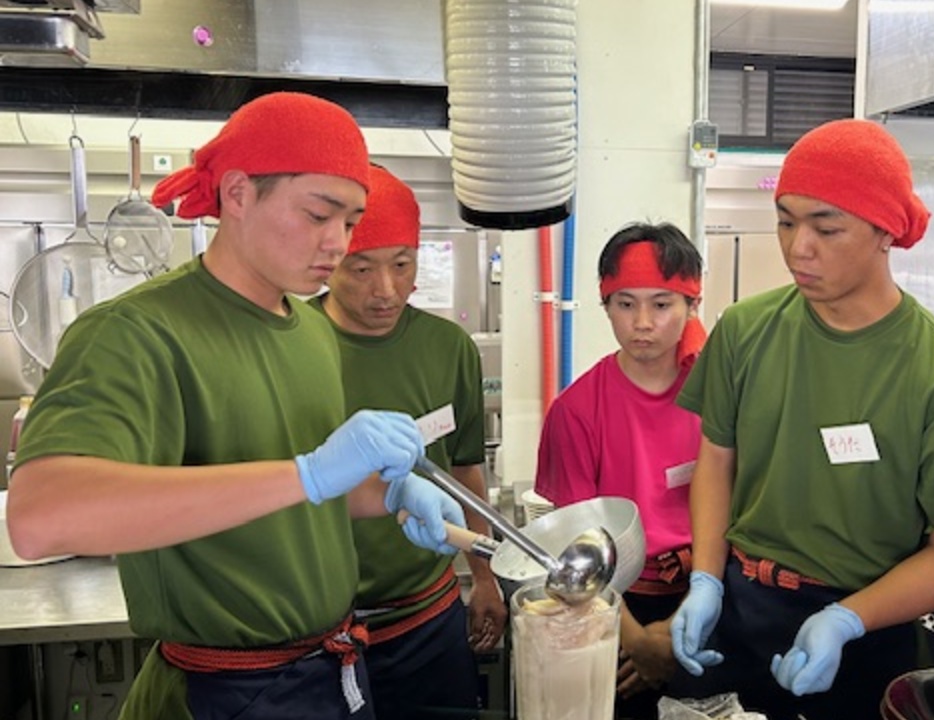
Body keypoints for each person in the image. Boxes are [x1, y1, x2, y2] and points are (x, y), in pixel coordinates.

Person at [5, 92, 465, 720]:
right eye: (318, 214)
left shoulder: (306, 328)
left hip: (331, 668)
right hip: (226, 691)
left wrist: (380, 494)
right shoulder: (138, 332)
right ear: (239, 193)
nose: (337, 243)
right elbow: (42, 518)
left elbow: (291, 491)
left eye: (350, 221)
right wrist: (310, 472)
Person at [665, 118, 934, 720]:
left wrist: (846, 618)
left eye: (826, 227)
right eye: (785, 221)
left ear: (885, 232)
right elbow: (716, 463)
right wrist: (706, 579)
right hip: (740, 608)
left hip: (865, 631)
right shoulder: (746, 331)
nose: (797, 247)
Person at [312, 163, 507, 718]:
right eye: (361, 268)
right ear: (330, 261)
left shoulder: (448, 348)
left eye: (403, 265)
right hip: (325, 631)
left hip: (429, 619)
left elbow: (468, 471)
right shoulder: (294, 348)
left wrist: (485, 576)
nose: (386, 290)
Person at [535, 222, 706, 720]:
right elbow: (574, 540)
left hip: (704, 600)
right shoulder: (576, 410)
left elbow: (737, 516)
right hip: (611, 604)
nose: (643, 323)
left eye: (662, 303)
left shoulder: (717, 396)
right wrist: (636, 642)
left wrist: (678, 630)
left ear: (692, 305)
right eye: (625, 303)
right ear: (605, 305)